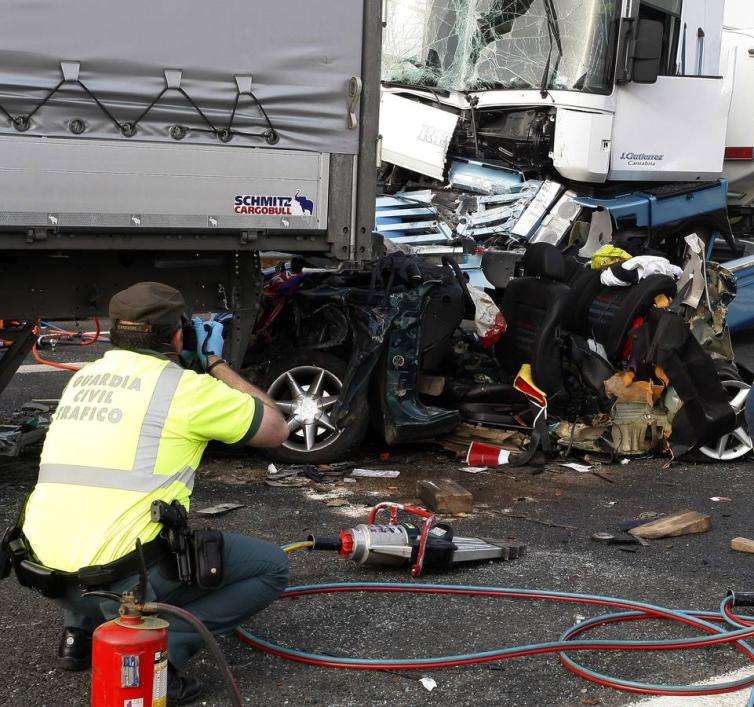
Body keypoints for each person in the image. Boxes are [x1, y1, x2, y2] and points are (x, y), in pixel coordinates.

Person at [17, 282, 290, 705]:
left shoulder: (83, 379)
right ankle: (158, 657)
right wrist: (214, 362)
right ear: (178, 334)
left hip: (42, 568)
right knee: (270, 567)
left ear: (114, 330)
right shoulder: (184, 388)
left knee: (92, 514)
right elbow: (276, 427)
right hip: (119, 578)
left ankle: (80, 635)